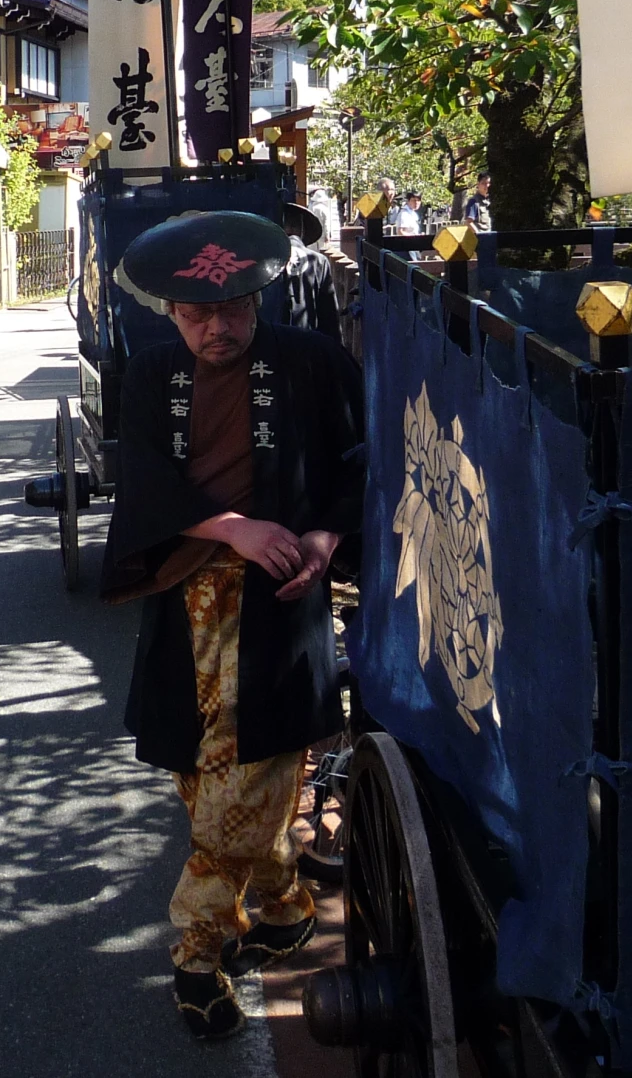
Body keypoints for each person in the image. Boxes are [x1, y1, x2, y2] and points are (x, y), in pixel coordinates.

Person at [102, 211, 365, 1043]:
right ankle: (285, 902)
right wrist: (232, 528)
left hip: (282, 599)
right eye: (196, 315)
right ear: (170, 313)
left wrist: (323, 537)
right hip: (187, 593)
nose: (217, 329)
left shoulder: (313, 362)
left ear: (259, 297)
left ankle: (196, 951)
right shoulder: (148, 375)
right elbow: (139, 476)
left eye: (234, 310)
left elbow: (358, 461)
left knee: (244, 784)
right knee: (205, 777)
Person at [264, 202, 343, 340]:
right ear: (302, 230)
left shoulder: (261, 261)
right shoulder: (319, 261)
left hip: (269, 343)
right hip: (307, 344)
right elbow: (330, 320)